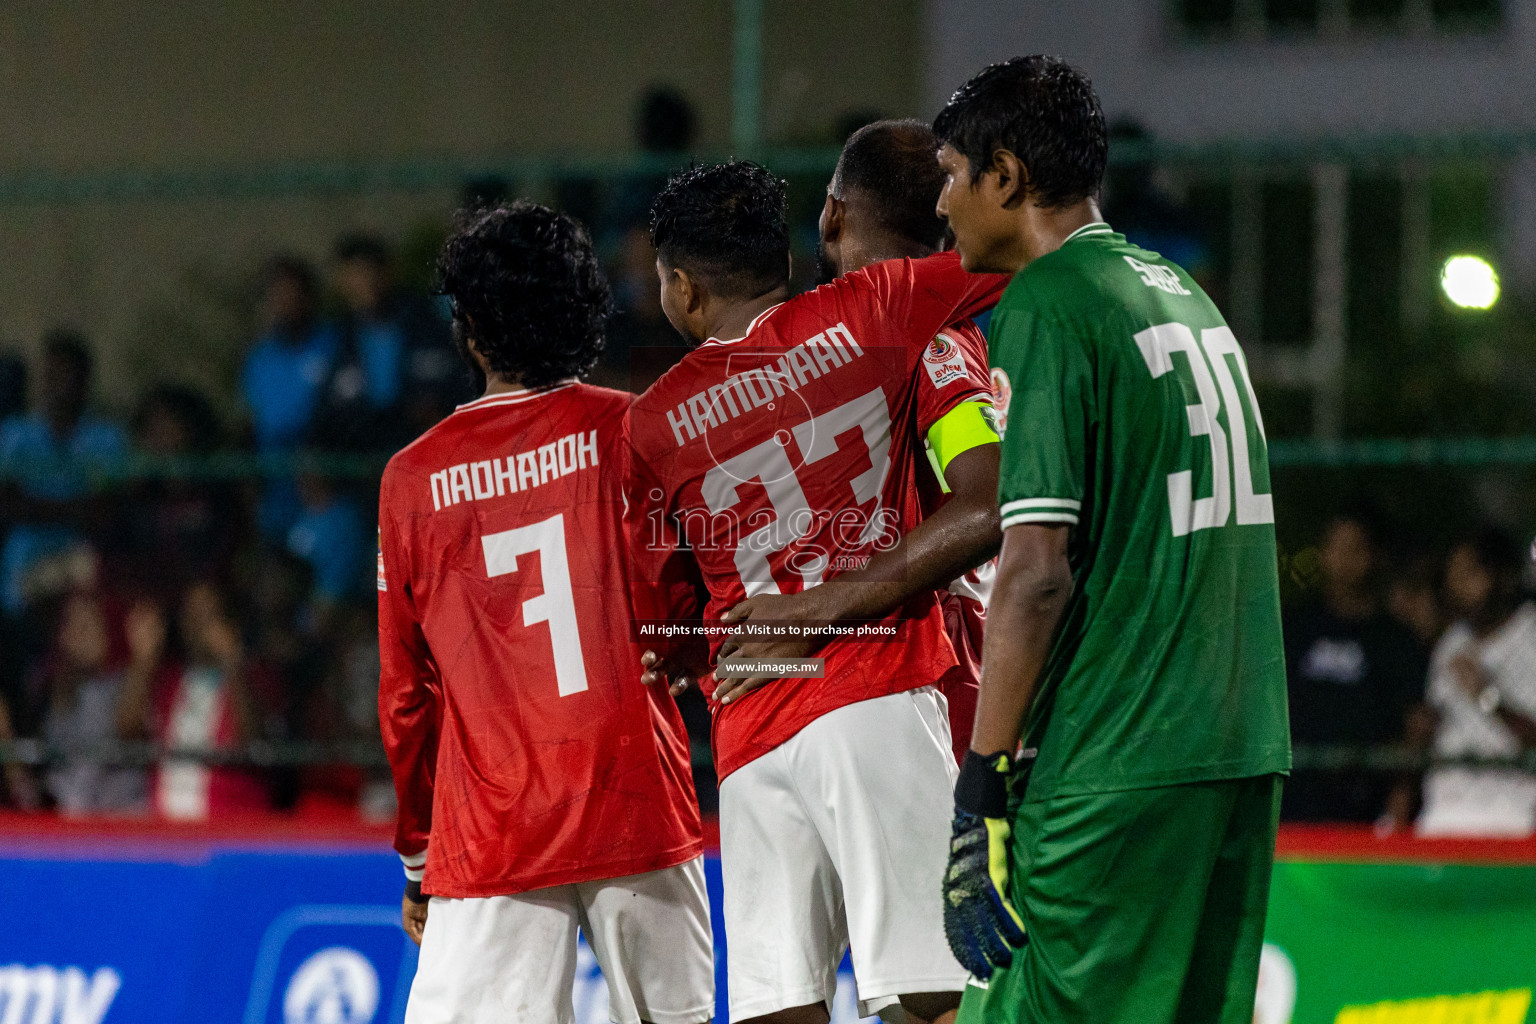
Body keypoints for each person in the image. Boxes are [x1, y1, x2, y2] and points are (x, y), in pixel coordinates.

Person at [933, 56, 1291, 1024]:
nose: (942, 201)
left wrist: (982, 785)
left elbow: (1036, 569)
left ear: (1004, 176)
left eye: (952, 173)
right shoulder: (1176, 289)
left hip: (1119, 753)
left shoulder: (1051, 303)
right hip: (1238, 748)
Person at [629, 158, 1007, 1024]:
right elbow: (1010, 255)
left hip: (751, 721)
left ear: (683, 289)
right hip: (878, 693)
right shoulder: (875, 309)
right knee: (931, 997)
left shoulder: (650, 422)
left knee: (777, 1005)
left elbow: (667, 612)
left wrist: (701, 647)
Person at [378, 202, 711, 1024]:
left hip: (492, 828)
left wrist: (420, 857)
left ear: (471, 331)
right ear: (581, 313)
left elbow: (405, 696)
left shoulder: (413, 480)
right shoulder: (633, 430)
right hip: (634, 794)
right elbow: (691, 613)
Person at [811, 118, 999, 761]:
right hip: (890, 696)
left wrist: (825, 604)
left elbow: (985, 501)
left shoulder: (935, 344)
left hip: (943, 707)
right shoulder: (854, 351)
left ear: (832, 214)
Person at [1282, 513, 1426, 822]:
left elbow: (1415, 725)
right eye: (1337, 548)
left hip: (1367, 805)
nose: (1345, 560)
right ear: (1323, 553)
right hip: (1295, 801)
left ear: (1374, 557)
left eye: (1356, 549)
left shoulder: (1395, 639)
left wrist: (1401, 798)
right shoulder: (1294, 627)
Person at [117, 582, 278, 819]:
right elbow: (127, 732)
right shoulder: (168, 679)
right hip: (167, 828)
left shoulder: (258, 678)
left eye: (208, 615)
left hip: (232, 825)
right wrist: (143, 660)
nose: (198, 625)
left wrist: (232, 662)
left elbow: (251, 742)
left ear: (230, 622)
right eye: (191, 615)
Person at [1417, 527, 1536, 837]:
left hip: (1511, 814)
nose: (1457, 585)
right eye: (1453, 574)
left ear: (1503, 577)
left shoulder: (1531, 635)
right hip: (1442, 812)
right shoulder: (1451, 642)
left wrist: (1488, 696)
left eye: (1469, 573)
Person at [309, 234, 465, 452]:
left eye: (369, 271)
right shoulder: (338, 340)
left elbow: (457, 384)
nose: (366, 282)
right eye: (355, 274)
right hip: (363, 463)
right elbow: (326, 412)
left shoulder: (427, 327)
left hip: (423, 453)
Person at [240, 257, 338, 539]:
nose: (284, 303)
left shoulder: (334, 345)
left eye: (291, 294)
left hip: (324, 487)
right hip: (273, 490)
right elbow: (249, 419)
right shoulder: (259, 357)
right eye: (276, 295)